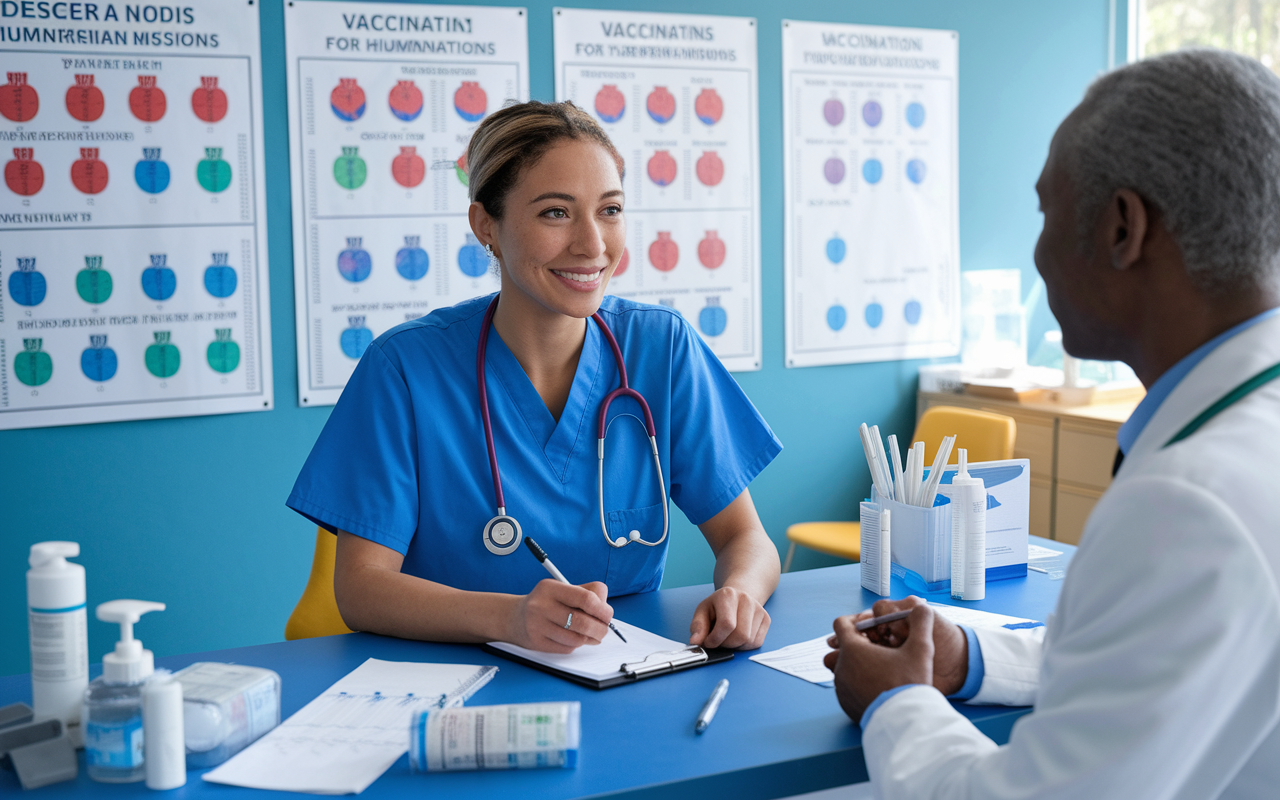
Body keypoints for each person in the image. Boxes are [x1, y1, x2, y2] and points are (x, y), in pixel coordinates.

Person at [825, 49, 1280, 797]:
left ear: (1122, 228)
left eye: (1046, 212)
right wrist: (966, 656)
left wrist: (894, 702)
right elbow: (1148, 662)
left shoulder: (1190, 503)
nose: (1038, 253)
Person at [287, 101, 782, 655]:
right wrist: (510, 618)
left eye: (611, 209)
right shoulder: (404, 368)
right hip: (452, 678)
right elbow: (361, 590)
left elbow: (746, 538)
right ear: (486, 226)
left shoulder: (661, 348)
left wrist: (740, 593)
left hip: (624, 670)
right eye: (555, 213)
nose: (593, 244)